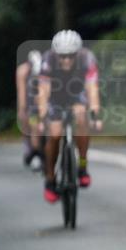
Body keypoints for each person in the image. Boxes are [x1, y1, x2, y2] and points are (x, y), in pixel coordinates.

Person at [36, 30, 103, 203]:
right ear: (56, 54)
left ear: (78, 53)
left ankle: (82, 165)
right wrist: (43, 117)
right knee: (55, 134)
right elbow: (43, 92)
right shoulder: (48, 59)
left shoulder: (87, 59)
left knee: (82, 117)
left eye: (70, 56)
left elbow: (92, 89)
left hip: (76, 93)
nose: (66, 60)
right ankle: (50, 179)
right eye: (62, 56)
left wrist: (95, 113)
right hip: (55, 96)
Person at [16, 49, 44, 170]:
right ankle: (33, 151)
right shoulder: (23, 71)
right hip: (32, 103)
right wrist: (22, 110)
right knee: (32, 125)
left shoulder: (47, 70)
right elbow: (22, 94)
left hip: (45, 102)